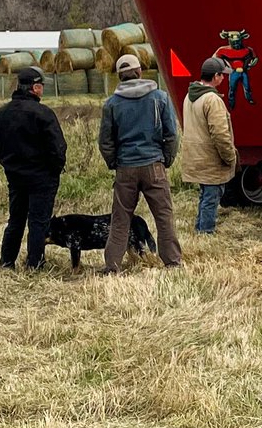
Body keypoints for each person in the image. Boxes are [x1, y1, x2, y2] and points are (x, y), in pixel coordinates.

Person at [98, 54, 182, 273]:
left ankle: (112, 266)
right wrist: (166, 160)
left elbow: (105, 141)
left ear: (119, 76)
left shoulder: (112, 104)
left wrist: (114, 163)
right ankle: (172, 262)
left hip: (125, 167)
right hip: (154, 164)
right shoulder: (160, 98)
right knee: (163, 215)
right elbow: (171, 135)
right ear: (140, 72)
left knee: (120, 218)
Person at [0, 66, 67, 270]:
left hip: (15, 176)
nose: (42, 90)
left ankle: (6, 262)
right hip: (42, 177)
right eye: (41, 86)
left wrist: (9, 164)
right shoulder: (43, 113)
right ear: (34, 88)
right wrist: (54, 169)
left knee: (16, 220)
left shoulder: (0, 114)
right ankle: (35, 263)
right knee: (38, 222)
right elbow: (58, 147)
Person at [181, 57, 237, 234]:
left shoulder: (189, 95)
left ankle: (200, 229)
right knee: (212, 197)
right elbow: (220, 134)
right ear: (215, 76)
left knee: (205, 195)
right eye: (222, 75)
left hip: (195, 155)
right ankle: (206, 232)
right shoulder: (212, 100)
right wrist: (230, 156)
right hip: (210, 158)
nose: (224, 79)